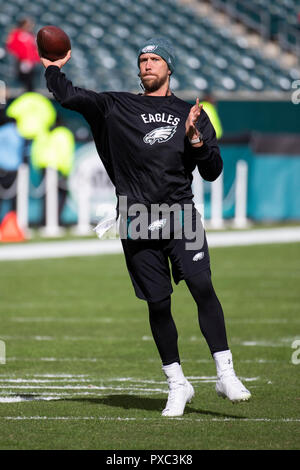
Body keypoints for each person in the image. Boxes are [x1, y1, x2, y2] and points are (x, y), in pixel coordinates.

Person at [40, 36, 251, 417]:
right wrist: (53, 65)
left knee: (202, 286)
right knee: (158, 303)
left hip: (180, 213)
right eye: (143, 59)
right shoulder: (116, 105)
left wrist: (197, 141)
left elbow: (214, 170)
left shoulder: (191, 112)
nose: (148, 64)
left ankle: (225, 373)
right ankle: (177, 383)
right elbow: (69, 97)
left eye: (155, 59)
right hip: (136, 216)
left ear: (169, 68)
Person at [6, 18, 40, 92]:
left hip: (32, 63)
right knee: (24, 79)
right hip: (21, 61)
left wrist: (35, 59)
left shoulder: (32, 35)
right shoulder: (16, 34)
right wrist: (22, 58)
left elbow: (34, 49)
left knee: (31, 81)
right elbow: (11, 46)